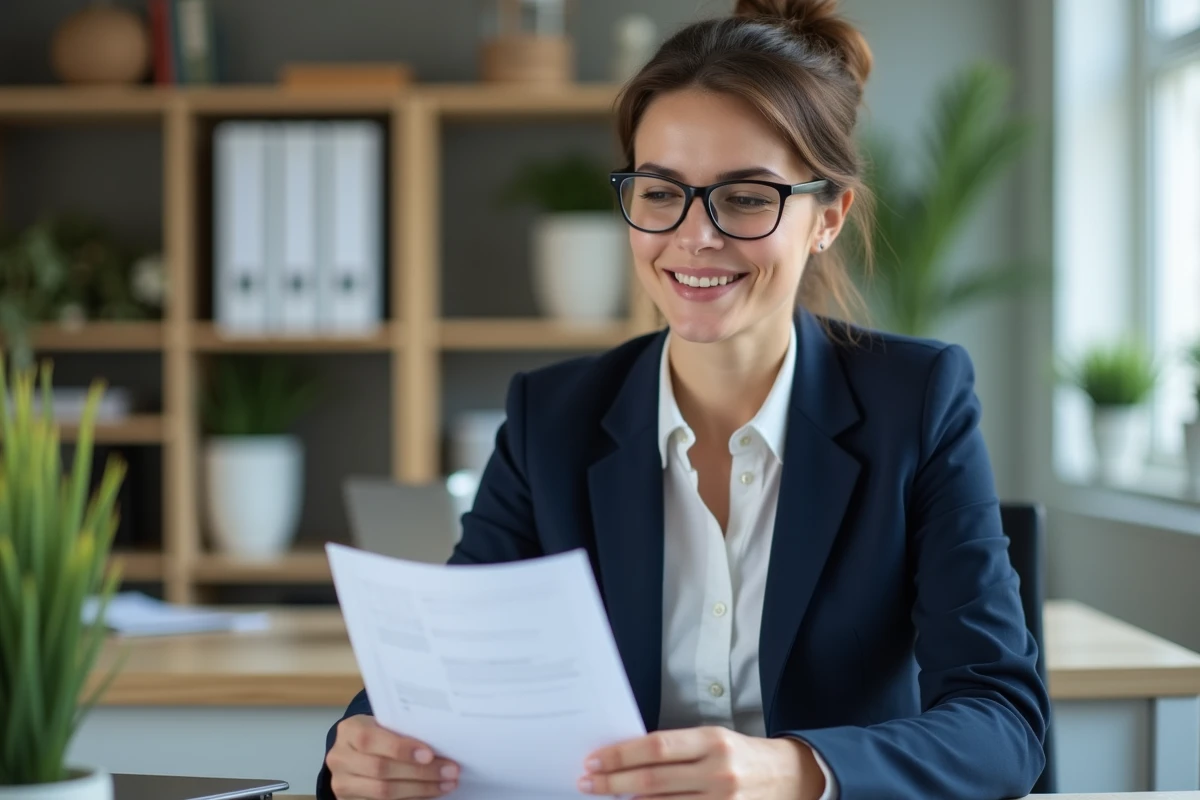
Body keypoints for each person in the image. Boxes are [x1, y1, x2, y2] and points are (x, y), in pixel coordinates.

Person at [317, 0, 1050, 797]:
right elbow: (450, 672)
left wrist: (794, 770)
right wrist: (362, 749)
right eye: (660, 193)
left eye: (745, 197)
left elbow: (1001, 722)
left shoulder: (918, 401)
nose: (694, 237)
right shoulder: (551, 418)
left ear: (827, 217)